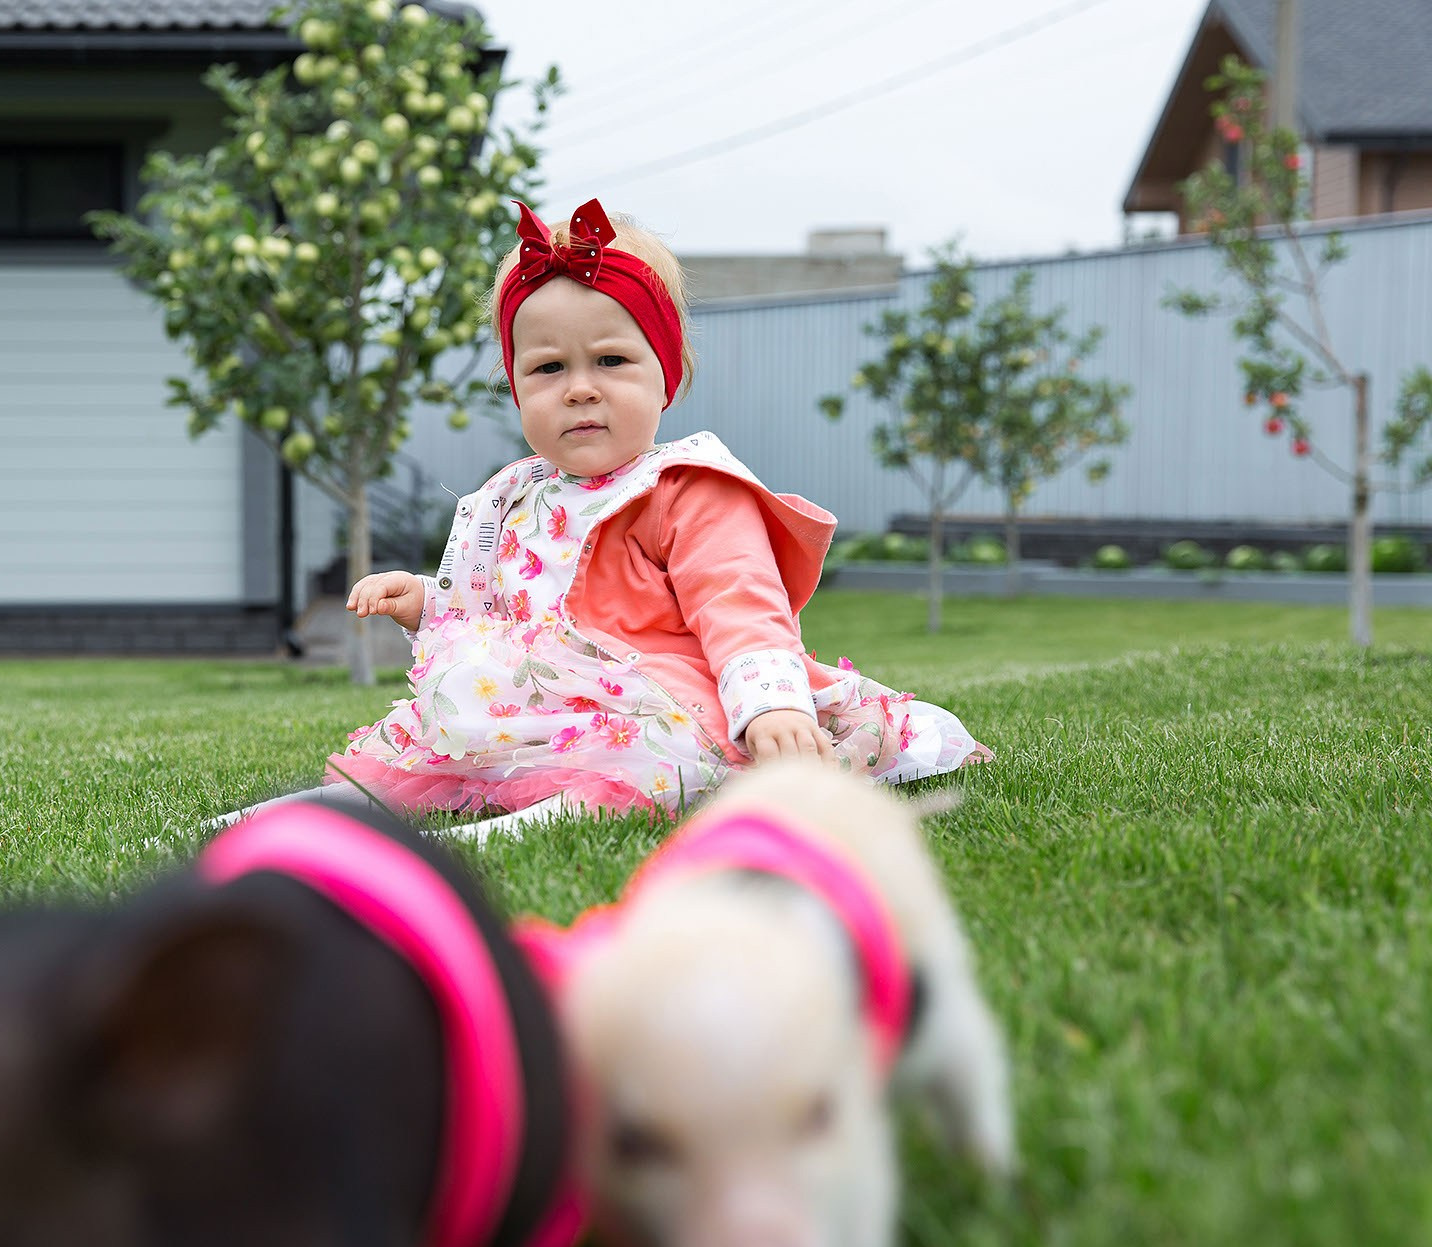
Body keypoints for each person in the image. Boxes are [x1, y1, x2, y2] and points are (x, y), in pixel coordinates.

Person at [326, 197, 989, 830]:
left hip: (649, 704)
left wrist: (770, 705)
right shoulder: (515, 495)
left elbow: (740, 602)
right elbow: (494, 607)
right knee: (429, 752)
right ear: (516, 386)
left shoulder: (683, 487)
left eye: (611, 361)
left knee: (637, 762)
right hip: (535, 705)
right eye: (548, 368)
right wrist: (422, 601)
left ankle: (544, 813)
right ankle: (339, 817)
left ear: (665, 375)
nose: (581, 387)